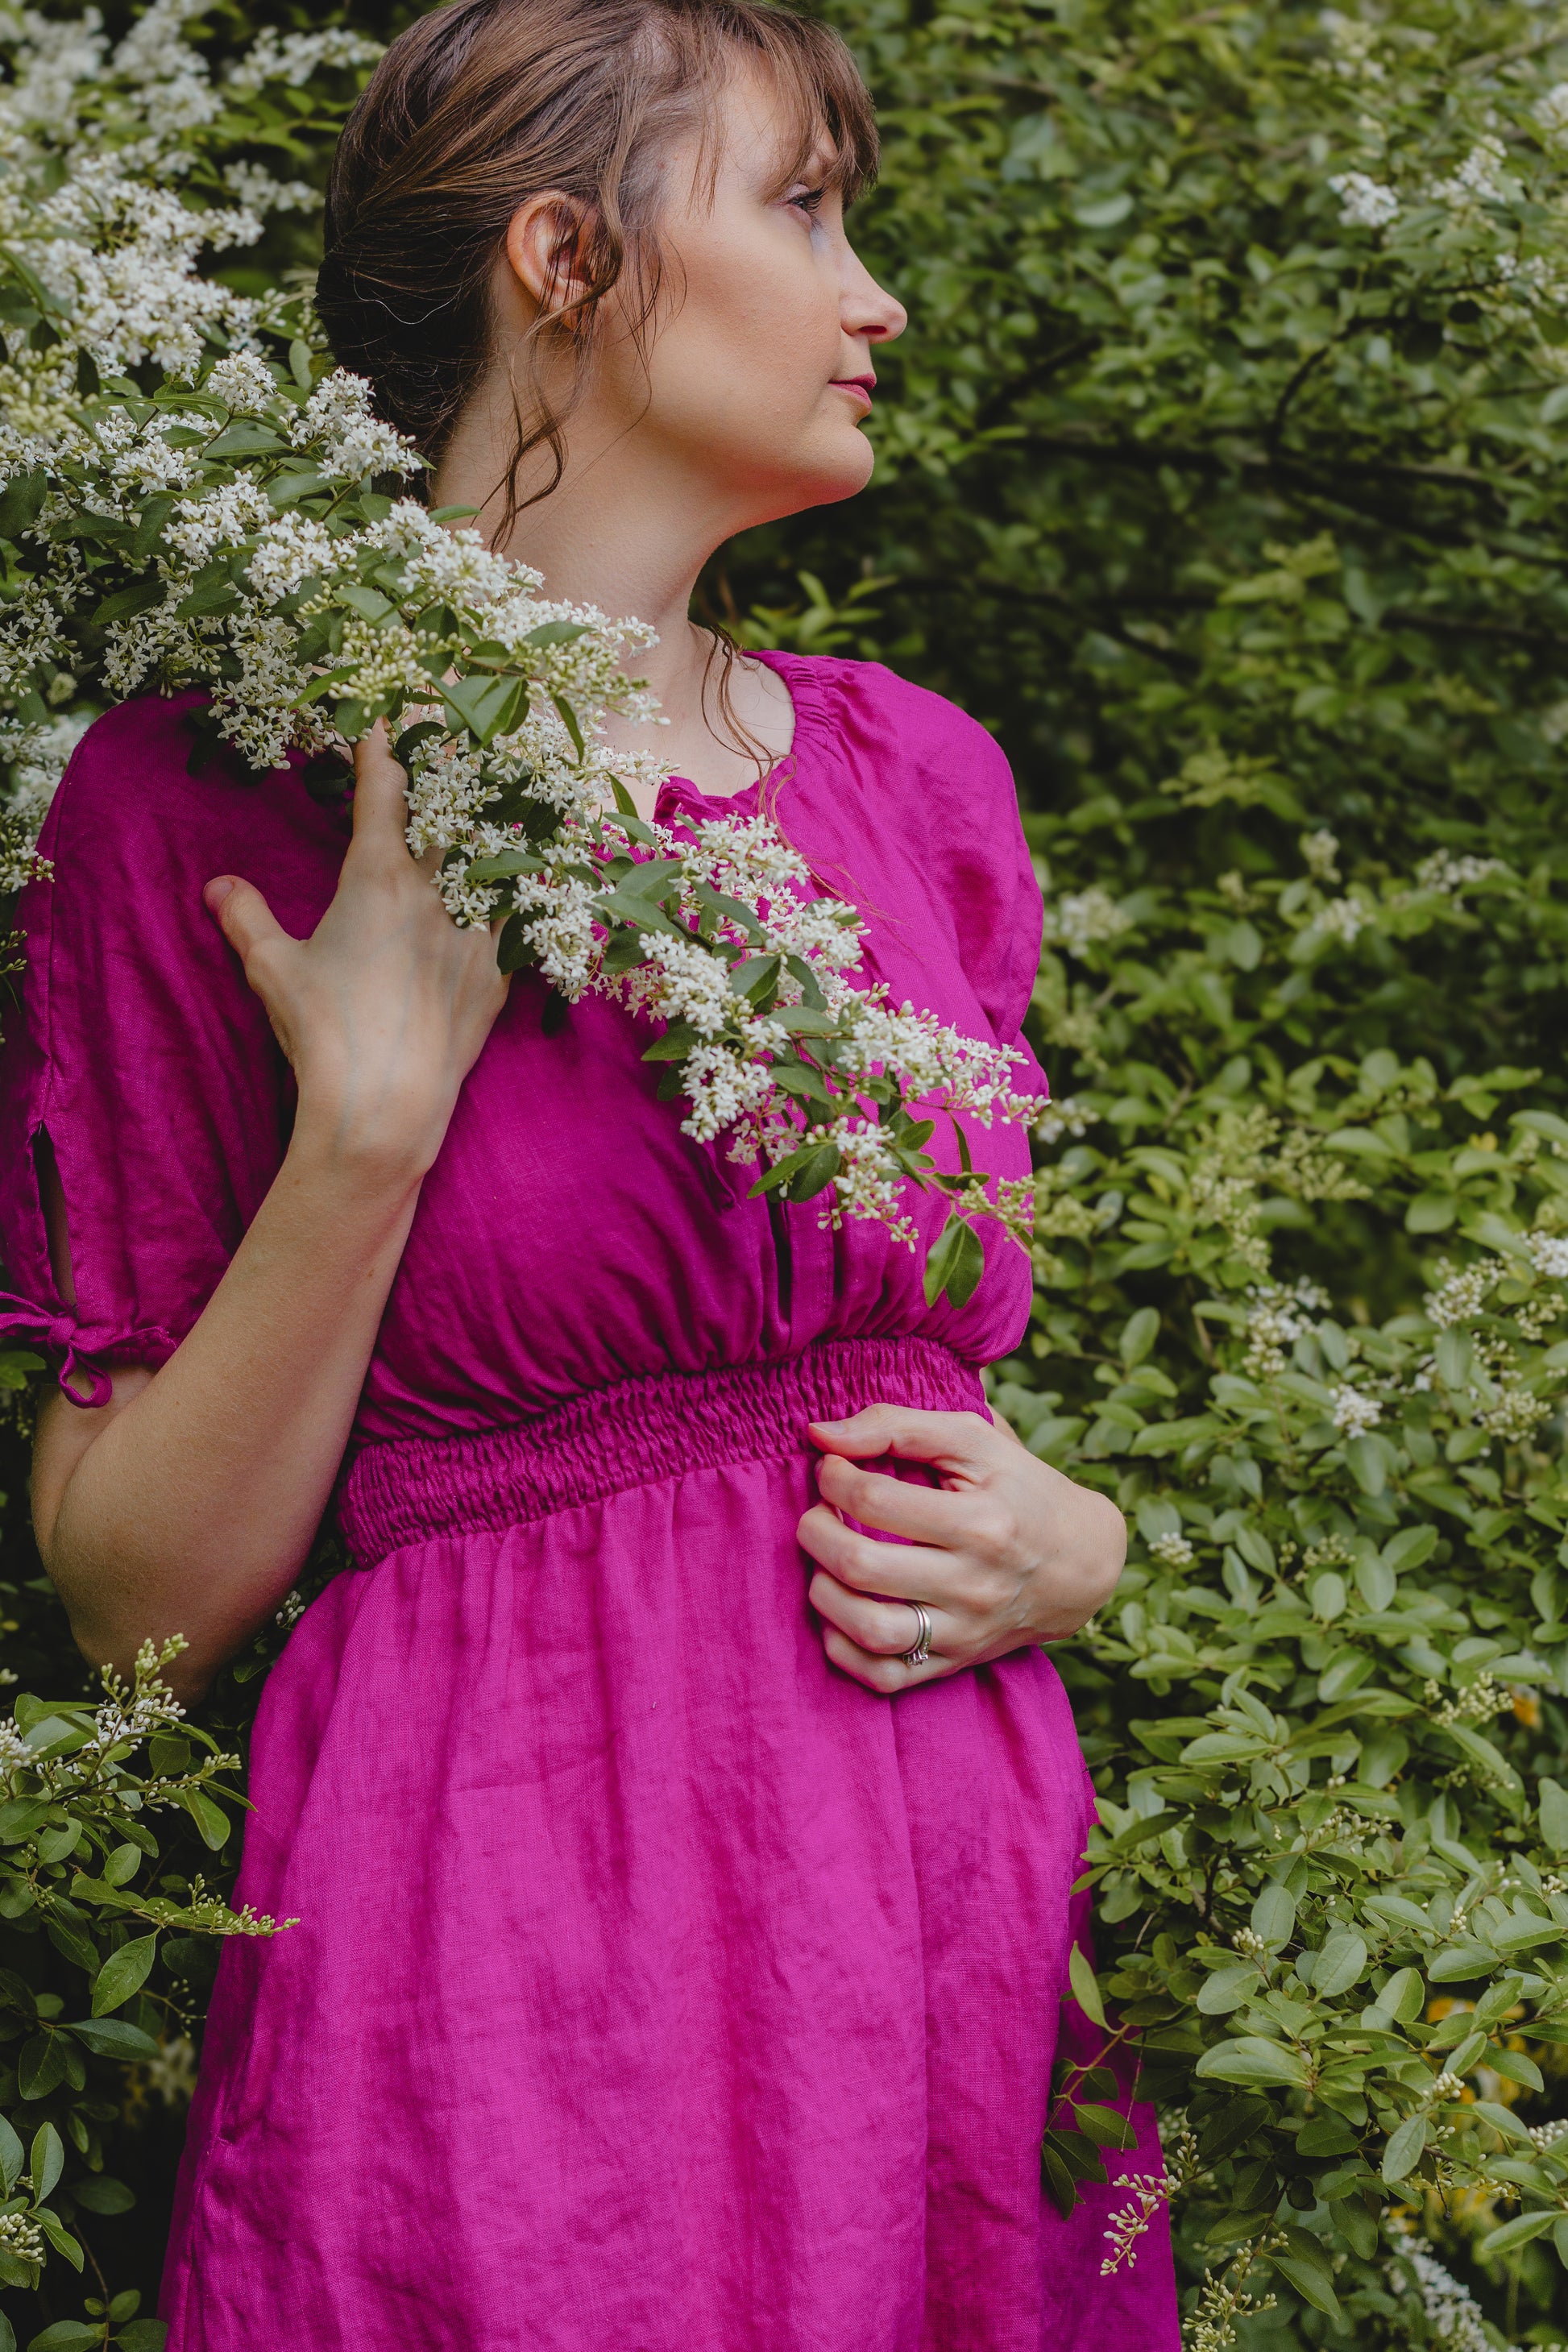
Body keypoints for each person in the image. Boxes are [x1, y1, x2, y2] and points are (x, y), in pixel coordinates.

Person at [0, 0, 1177, 2342]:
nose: (876, 294)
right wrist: (366, 1133)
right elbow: (134, 1615)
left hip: (939, 1893)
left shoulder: (912, 781)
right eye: (799, 203)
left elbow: (946, 1379)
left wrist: (1077, 1547)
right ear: (562, 252)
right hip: (508, 1934)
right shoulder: (201, 801)